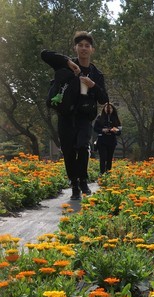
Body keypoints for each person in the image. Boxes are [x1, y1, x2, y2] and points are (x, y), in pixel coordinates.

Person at [41, 31, 109, 200]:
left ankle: (83, 180)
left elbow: (104, 99)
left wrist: (93, 85)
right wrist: (68, 61)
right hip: (65, 116)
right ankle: (75, 185)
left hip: (85, 117)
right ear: (75, 48)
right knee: (69, 152)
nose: (84, 48)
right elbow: (44, 54)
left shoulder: (96, 74)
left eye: (87, 46)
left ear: (92, 50)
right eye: (80, 45)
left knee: (82, 147)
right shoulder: (67, 66)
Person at [93, 103, 122, 174]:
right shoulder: (100, 117)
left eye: (110, 108)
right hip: (102, 141)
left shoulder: (115, 118)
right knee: (103, 157)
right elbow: (95, 128)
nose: (108, 109)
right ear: (104, 109)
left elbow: (119, 130)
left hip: (111, 141)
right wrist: (103, 130)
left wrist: (116, 130)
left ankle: (108, 172)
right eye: (107, 108)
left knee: (109, 158)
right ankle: (102, 172)